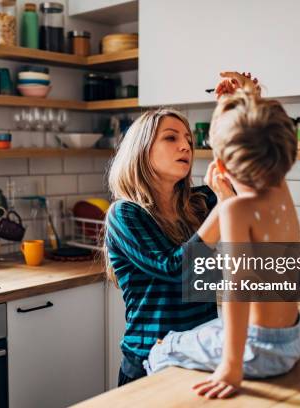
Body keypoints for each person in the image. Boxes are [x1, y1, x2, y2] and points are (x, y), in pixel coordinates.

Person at [145, 74, 300, 399]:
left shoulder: (235, 210)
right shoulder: (281, 193)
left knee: (161, 350)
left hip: (258, 350)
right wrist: (247, 96)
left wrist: (231, 367)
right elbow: (259, 132)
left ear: (219, 163)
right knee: (200, 334)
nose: (186, 145)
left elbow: (236, 291)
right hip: (292, 339)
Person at [104, 107, 234, 386]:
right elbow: (174, 268)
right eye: (171, 138)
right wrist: (225, 207)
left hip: (200, 358)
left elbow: (249, 173)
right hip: (149, 365)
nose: (185, 145)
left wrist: (244, 103)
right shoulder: (125, 214)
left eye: (188, 139)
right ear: (142, 149)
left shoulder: (200, 202)